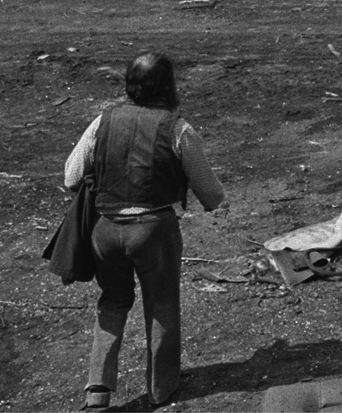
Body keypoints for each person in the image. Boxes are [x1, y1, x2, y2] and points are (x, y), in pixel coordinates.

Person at [63, 53, 224, 409]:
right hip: (153, 231)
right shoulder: (178, 128)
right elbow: (212, 195)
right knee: (162, 304)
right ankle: (161, 389)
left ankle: (98, 391)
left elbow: (71, 176)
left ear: (129, 86)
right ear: (169, 86)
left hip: (104, 231)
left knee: (113, 301)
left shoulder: (102, 121)